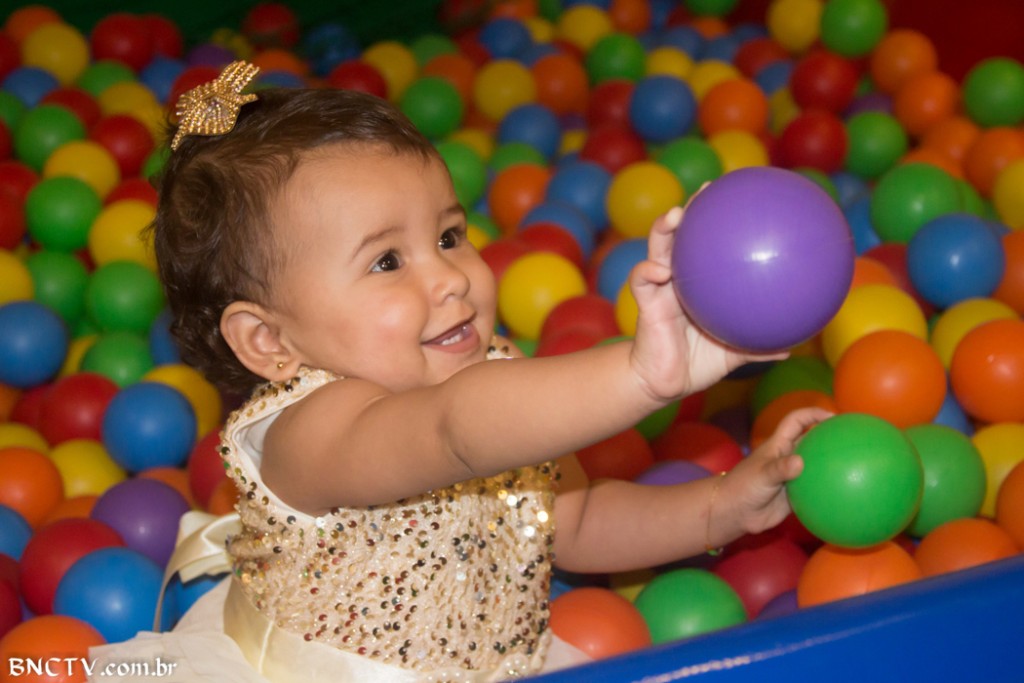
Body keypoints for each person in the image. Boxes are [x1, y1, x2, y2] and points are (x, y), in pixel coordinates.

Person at [88, 61, 828, 683]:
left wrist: (720, 507)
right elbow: (452, 431)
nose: (449, 277)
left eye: (448, 235)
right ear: (269, 340)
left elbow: (578, 522)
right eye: (387, 260)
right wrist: (642, 375)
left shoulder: (498, 376)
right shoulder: (308, 431)